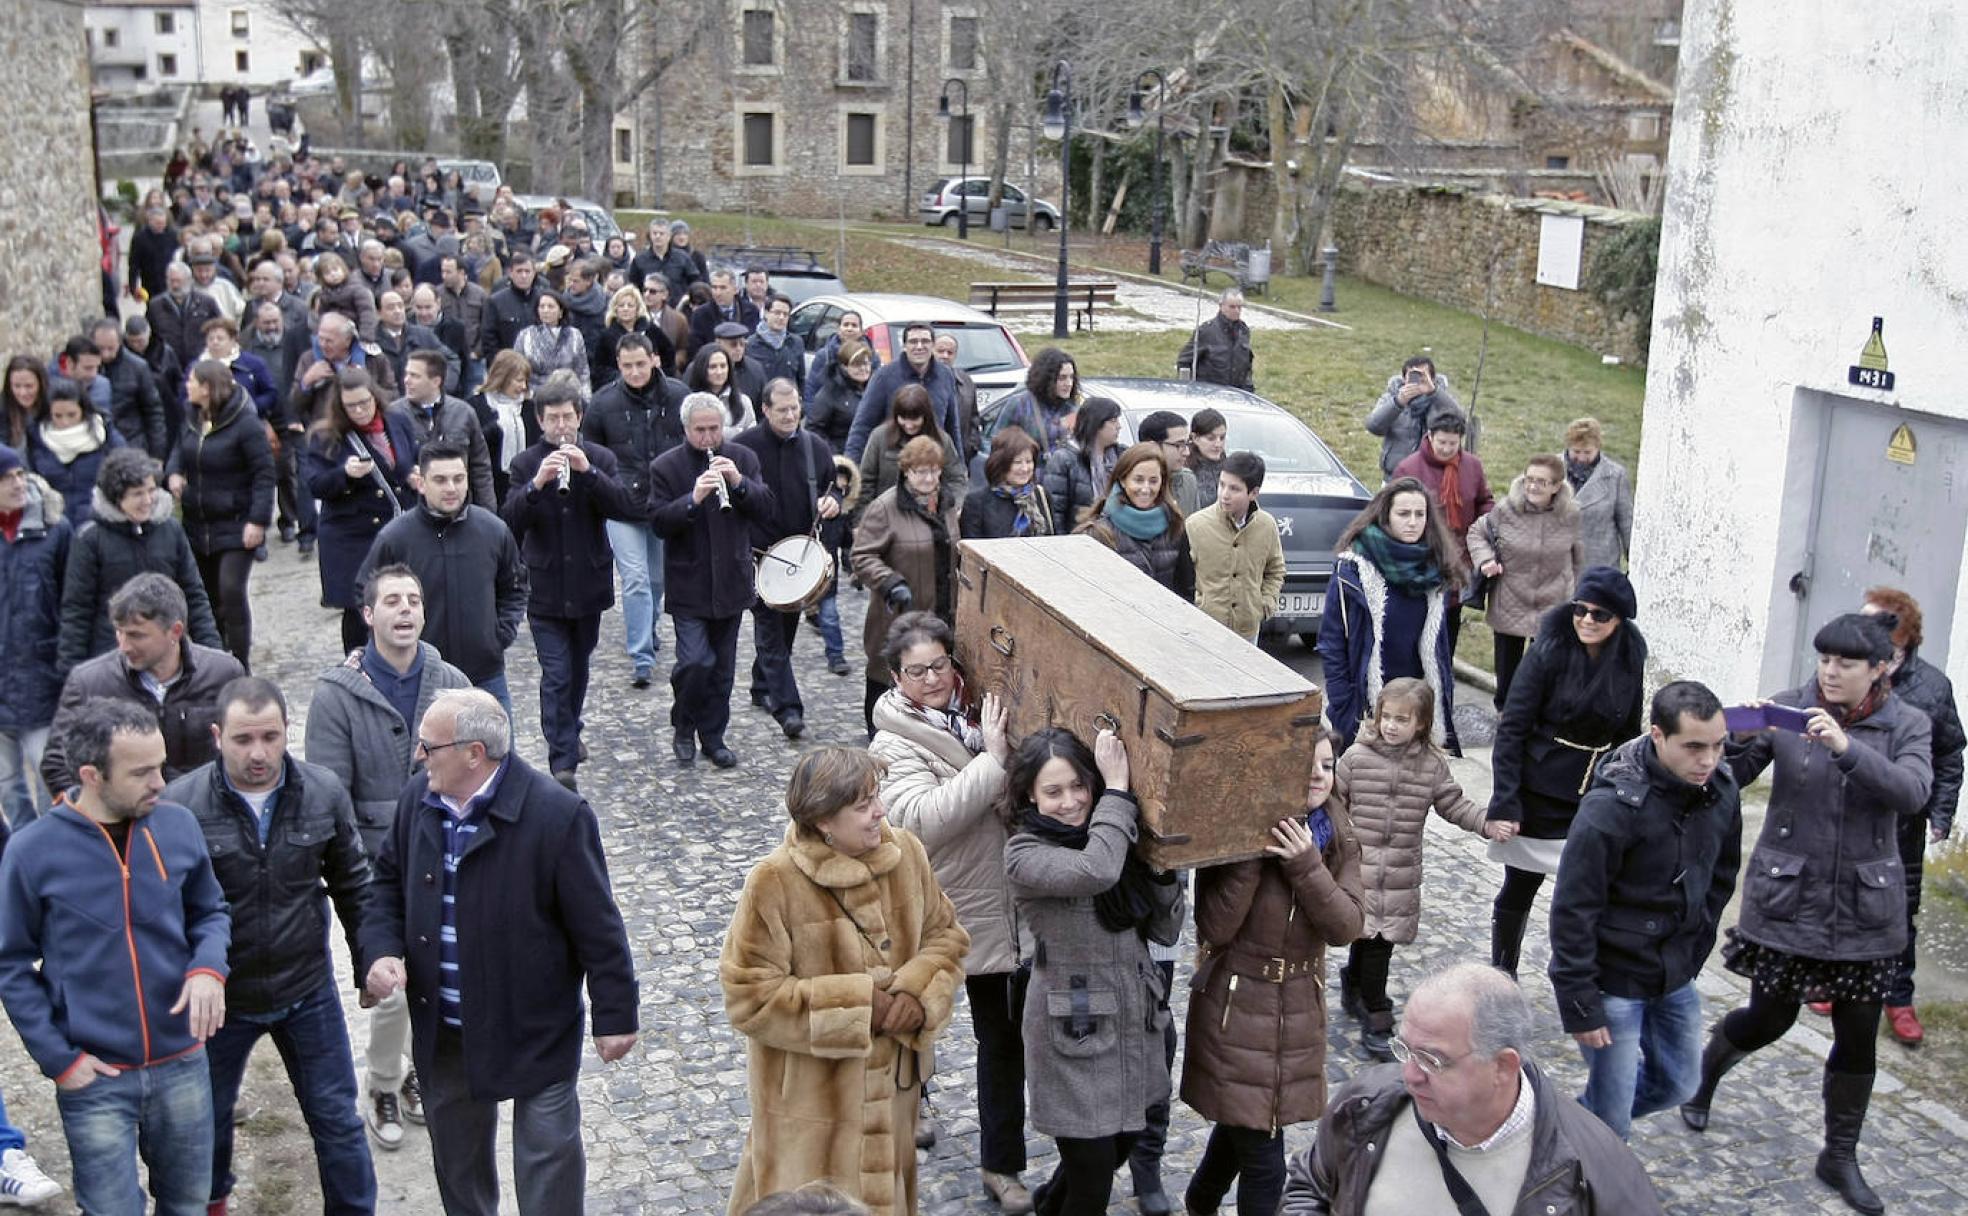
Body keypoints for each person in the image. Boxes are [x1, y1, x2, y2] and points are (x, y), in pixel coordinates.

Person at [1684, 613, 1933, 1216]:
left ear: (1881, 669)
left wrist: (1846, 748)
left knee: (1856, 1037)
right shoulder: (1788, 711)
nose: (1830, 671)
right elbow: (1726, 781)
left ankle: (1839, 1154)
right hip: (1789, 898)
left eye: (1846, 663)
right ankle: (1705, 1077)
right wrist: (1729, 740)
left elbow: (1912, 793)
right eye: (1824, 659)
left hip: (1864, 909)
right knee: (1768, 1019)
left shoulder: (1908, 724)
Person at [360, 690, 638, 1216]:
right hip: (445, 1027)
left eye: (429, 746)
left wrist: (615, 1014)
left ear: (473, 754)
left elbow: (598, 926)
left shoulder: (557, 816)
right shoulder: (419, 798)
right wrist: (379, 951)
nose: (419, 756)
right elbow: (387, 885)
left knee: (548, 1165)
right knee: (459, 1167)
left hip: (533, 1028)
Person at [0, 698, 231, 1216]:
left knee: (190, 1205)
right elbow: (10, 965)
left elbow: (211, 912)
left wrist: (208, 969)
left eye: (161, 765)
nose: (160, 782)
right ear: (91, 775)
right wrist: (60, 1060)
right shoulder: (31, 853)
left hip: (184, 1064)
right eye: (142, 771)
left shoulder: (178, 826)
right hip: (96, 1078)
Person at [721, 747, 969, 1215]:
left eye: (876, 798)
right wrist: (859, 1007)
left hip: (892, 1100)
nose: (880, 812)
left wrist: (917, 994)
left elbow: (947, 936)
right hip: (810, 1113)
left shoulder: (907, 854)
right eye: (863, 805)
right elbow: (748, 996)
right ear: (823, 821)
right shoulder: (773, 882)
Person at [163, 677, 376, 1214]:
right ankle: (211, 1203)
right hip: (218, 1001)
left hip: (306, 989)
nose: (259, 753)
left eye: (270, 737)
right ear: (217, 736)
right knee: (201, 1125)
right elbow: (164, 911)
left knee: (337, 1121)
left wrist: (368, 960)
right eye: (243, 740)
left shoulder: (323, 792)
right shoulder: (180, 807)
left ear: (286, 733)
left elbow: (354, 885)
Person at [303, 564, 471, 1150]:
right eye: (391, 602)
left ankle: (418, 1073)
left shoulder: (449, 679)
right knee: (390, 981)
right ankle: (381, 1083)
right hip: (374, 864)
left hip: (443, 856)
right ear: (368, 615)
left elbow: (479, 769)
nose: (405, 610)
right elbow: (327, 792)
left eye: (414, 600)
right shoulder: (336, 694)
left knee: (431, 977)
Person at [864, 614, 1028, 1209]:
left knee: (1003, 1041)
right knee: (916, 1020)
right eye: (917, 671)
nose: (932, 679)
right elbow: (919, 818)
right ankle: (914, 1101)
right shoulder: (891, 742)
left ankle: (1002, 1166)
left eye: (939, 665)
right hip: (932, 909)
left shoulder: (983, 706)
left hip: (1000, 905)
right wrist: (996, 760)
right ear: (895, 676)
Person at [1279, 963, 1663, 1214]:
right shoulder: (1368, 1104)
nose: (1409, 1075)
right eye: (1405, 1050)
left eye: (1432, 1060)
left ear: (1502, 1065)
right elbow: (1311, 1183)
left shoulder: (1597, 1173)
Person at [1182, 726, 1363, 1216]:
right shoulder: (1235, 826)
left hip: (1300, 1008)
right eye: (1307, 766)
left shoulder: (1337, 831)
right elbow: (1215, 928)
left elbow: (1346, 925)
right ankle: (1201, 1201)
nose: (1319, 776)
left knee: (1250, 1122)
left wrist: (1305, 864)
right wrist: (1255, 854)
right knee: (1266, 1160)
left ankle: (1199, 1200)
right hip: (1237, 1006)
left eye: (1327, 765)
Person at [1547, 680, 1740, 1141]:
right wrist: (1581, 1003)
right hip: (1614, 984)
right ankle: (1589, 1164)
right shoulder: (1609, 810)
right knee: (1613, 1124)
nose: (1709, 760)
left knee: (1680, 1083)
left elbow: (1721, 877)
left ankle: (1569, 1129)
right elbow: (1573, 910)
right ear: (1658, 736)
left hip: (1675, 975)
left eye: (1717, 746)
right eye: (1694, 747)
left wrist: (1694, 949)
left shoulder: (1721, 790)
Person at [1003, 728, 1185, 1216]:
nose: (1069, 802)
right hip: (1074, 1030)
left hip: (1131, 1018)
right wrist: (1119, 791)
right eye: (1053, 791)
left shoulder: (1115, 835)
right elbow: (1094, 871)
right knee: (1091, 1180)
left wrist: (1164, 873)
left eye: (1079, 786)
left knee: (1120, 1146)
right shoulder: (1024, 853)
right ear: (1029, 796)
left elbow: (1164, 929)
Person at [1485, 566, 1644, 978]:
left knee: (1589, 889)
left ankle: (1578, 971)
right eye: (1581, 610)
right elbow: (1513, 730)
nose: (1587, 620)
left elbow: (1629, 731)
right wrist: (1505, 801)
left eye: (1600, 615)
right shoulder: (1549, 649)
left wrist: (1629, 793)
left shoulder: (1629, 655)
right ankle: (1504, 970)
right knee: (1521, 883)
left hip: (1596, 791)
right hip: (1540, 787)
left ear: (1620, 619)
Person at [502, 373, 633, 788]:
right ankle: (561, 758)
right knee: (555, 673)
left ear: (579, 418)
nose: (562, 426)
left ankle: (569, 728)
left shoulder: (598, 456)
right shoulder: (525, 464)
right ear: (540, 420)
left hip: (588, 583)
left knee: (578, 669)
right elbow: (509, 522)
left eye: (568, 418)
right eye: (553, 418)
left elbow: (622, 506)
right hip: (544, 586)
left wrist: (588, 472)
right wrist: (537, 484)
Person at [1860, 587, 1966, 1046]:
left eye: (1874, 622)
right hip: (1849, 813)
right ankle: (1834, 979)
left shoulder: (1932, 686)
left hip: (1902, 822)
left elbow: (1949, 754)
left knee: (1899, 910)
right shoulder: (1848, 672)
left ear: (1901, 633)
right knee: (1845, 899)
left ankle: (1897, 998)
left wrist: (1941, 812)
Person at [355, 442, 526, 711]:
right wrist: (393, 643)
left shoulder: (493, 531)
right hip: (420, 679)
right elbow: (365, 592)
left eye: (458, 479)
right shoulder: (395, 537)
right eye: (440, 480)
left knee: (499, 753)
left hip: (484, 675)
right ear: (421, 483)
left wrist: (499, 635)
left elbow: (514, 587)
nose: (451, 488)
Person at [649, 394, 770, 768]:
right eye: (700, 430)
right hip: (690, 583)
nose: (708, 438)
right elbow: (658, 522)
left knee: (722, 669)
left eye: (714, 429)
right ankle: (684, 724)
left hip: (732, 581)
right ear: (686, 430)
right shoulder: (666, 466)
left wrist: (739, 483)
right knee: (696, 661)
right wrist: (693, 498)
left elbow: (766, 507)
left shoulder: (744, 458)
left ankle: (714, 737)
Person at [42, 573, 244, 796]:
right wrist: (102, 814)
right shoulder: (89, 683)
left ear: (175, 631)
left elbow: (245, 745)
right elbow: (56, 764)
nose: (124, 646)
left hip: (206, 814)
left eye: (136, 635)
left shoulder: (223, 673)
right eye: (119, 633)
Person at [1316, 477, 1464, 754]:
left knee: (1411, 788)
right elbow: (1331, 641)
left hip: (1415, 703)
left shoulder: (1434, 568)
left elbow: (1439, 648)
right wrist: (1343, 701)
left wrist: (1436, 700)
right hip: (1365, 702)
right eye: (1403, 514)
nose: (1413, 522)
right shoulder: (1354, 568)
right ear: (1386, 517)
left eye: (1420, 514)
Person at [733, 379, 844, 740]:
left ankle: (759, 685)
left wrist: (833, 503)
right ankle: (788, 709)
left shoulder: (815, 447)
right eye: (782, 409)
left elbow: (833, 488)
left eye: (795, 407)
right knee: (769, 631)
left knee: (785, 630)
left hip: (798, 556)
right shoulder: (743, 448)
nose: (790, 415)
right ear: (765, 410)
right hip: (757, 555)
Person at [582, 334, 688, 688]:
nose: (635, 371)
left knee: (658, 580)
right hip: (622, 502)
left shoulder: (677, 395)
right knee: (636, 580)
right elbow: (592, 455)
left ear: (654, 360)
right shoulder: (603, 403)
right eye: (627, 365)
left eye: (640, 364)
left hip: (663, 501)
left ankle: (649, 625)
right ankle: (641, 654)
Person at [57, 449, 222, 672]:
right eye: (137, 494)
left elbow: (194, 594)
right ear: (117, 498)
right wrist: (72, 671)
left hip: (168, 653)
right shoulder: (90, 539)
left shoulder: (170, 530)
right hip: (115, 657)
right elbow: (77, 610)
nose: (147, 500)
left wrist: (212, 651)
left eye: (151, 491)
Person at [166, 359, 273, 669]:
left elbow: (264, 473)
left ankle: (240, 663)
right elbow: (178, 450)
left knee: (231, 590)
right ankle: (212, 660)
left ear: (207, 387)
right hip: (198, 523)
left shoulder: (245, 424)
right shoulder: (190, 418)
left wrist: (258, 520)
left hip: (237, 523)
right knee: (206, 596)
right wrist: (173, 473)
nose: (187, 386)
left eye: (192, 382)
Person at [304, 368, 420, 651]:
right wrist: (345, 474)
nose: (359, 411)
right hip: (351, 536)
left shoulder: (396, 420)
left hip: (397, 530)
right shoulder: (327, 436)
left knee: (404, 602)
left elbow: (408, 459)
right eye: (351, 406)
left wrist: (414, 474)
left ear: (375, 397)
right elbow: (315, 484)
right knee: (360, 612)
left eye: (364, 403)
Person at [853, 436, 960, 736]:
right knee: (886, 678)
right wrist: (890, 582)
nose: (928, 478)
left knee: (933, 678)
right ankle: (878, 736)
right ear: (906, 473)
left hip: (941, 612)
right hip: (898, 612)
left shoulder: (947, 504)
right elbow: (862, 555)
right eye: (919, 472)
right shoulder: (885, 507)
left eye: (933, 471)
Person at [1465, 454, 1582, 709]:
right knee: (1507, 677)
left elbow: (1579, 559)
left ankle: (1537, 722)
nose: (1532, 486)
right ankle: (1505, 719)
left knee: (1545, 673)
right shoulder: (1506, 510)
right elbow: (1476, 533)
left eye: (1541, 482)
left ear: (1556, 486)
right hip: (1510, 601)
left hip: (1553, 603)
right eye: (1529, 479)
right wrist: (1485, 560)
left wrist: (1577, 597)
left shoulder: (1571, 516)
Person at [0, 447, 71, 831]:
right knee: (8, 785)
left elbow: (72, 604)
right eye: (6, 478)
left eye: (19, 474)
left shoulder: (55, 531)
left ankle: (57, 846)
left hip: (42, 678)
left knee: (51, 775)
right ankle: (23, 854)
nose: (17, 483)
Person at [1077, 443, 1196, 602]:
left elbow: (1186, 590)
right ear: (1123, 480)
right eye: (1138, 480)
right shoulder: (1099, 533)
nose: (1146, 489)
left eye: (1153, 481)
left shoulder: (1174, 526)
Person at [1186, 451, 1284, 641]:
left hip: (1247, 630)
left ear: (1253, 493)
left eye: (1234, 489)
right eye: (1222, 485)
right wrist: (1198, 606)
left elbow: (1275, 569)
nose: (1225, 494)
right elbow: (1183, 578)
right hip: (1206, 629)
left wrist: (1265, 603)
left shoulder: (1266, 525)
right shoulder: (1195, 525)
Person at [395, 348, 496, 511]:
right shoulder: (394, 415)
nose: (406, 380)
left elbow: (480, 467)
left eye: (415, 376)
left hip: (458, 509)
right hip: (413, 511)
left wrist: (488, 512)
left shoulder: (463, 412)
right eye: (407, 374)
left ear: (436, 381)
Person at [845, 323, 962, 461]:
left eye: (925, 341)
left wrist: (960, 463)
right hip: (894, 463)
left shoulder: (945, 375)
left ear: (932, 345)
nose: (919, 346)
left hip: (934, 465)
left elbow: (952, 425)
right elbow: (862, 426)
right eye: (913, 342)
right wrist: (850, 468)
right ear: (904, 346)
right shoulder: (884, 376)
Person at [25, 377, 123, 529]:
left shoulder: (104, 433)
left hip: (99, 523)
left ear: (83, 411)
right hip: (53, 524)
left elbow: (124, 469)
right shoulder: (36, 437)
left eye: (72, 415)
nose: (65, 422)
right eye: (58, 416)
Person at [855, 383, 965, 511]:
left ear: (926, 416)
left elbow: (956, 479)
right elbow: (866, 482)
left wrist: (955, 507)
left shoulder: (941, 440)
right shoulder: (879, 437)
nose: (909, 425)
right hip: (887, 515)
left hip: (930, 515)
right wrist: (860, 520)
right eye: (903, 418)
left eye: (914, 419)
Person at [1363, 356, 1465, 481]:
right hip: (1396, 475)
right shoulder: (1392, 397)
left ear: (1432, 378)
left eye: (1422, 377)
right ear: (1404, 379)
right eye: (1413, 377)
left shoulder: (1441, 398)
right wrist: (1398, 403)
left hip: (1434, 477)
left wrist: (1434, 393)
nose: (1417, 382)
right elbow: (1373, 426)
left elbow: (1461, 422)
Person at [1041, 396, 1122, 535]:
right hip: (1079, 539)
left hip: (1116, 538)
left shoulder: (1121, 455)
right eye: (1113, 421)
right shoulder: (1065, 459)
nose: (1119, 426)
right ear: (1096, 423)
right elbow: (1055, 512)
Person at [91, 317, 169, 459]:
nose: (105, 354)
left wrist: (157, 455)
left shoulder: (138, 367)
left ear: (120, 343)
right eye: (100, 348)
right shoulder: (86, 367)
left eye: (110, 348)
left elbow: (153, 412)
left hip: (132, 442)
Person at [466, 349, 536, 504]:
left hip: (522, 485)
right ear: (503, 378)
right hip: (487, 485)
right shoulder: (476, 405)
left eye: (525, 381)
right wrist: (496, 428)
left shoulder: (529, 408)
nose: (523, 386)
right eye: (518, 380)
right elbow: (473, 445)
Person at [1563, 417, 1633, 571]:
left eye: (1587, 452)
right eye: (1576, 451)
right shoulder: (1550, 469)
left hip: (1599, 569)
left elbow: (1626, 524)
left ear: (1598, 448)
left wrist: (1634, 563)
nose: (1581, 458)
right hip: (1557, 569)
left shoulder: (1616, 476)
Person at [961, 428, 1052, 541]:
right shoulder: (976, 502)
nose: (1025, 469)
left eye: (1029, 461)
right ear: (1001, 464)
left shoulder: (1041, 495)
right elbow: (971, 551)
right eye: (1017, 462)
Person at [147, 262, 224, 372]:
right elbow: (151, 337)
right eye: (171, 281)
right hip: (167, 367)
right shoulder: (155, 306)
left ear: (189, 280)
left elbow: (220, 328)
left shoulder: (207, 303)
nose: (175, 286)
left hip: (200, 363)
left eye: (178, 281)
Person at [593, 283, 673, 389]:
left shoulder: (651, 330)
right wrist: (621, 376)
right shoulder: (606, 336)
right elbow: (599, 368)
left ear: (637, 308)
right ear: (615, 309)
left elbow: (669, 354)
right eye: (621, 305)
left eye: (630, 305)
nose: (625, 309)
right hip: (618, 388)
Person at [513, 289, 590, 396]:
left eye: (550, 307)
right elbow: (516, 368)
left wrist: (585, 397)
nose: (545, 310)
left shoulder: (574, 335)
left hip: (567, 394)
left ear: (561, 311)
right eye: (542, 307)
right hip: (535, 394)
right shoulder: (526, 335)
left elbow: (582, 372)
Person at [806, 338, 874, 458]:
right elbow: (814, 429)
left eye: (866, 363)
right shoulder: (829, 392)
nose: (863, 369)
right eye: (857, 364)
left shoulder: (874, 388)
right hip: (842, 456)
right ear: (844, 366)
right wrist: (834, 455)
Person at [1176, 288, 1254, 390]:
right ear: (1221, 306)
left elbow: (1247, 365)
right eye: (1232, 307)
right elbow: (1184, 361)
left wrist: (1248, 388)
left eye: (1239, 307)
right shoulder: (1206, 331)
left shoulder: (1243, 331)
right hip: (1209, 393)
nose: (1236, 311)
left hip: (1237, 393)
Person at [802, 311, 882, 404]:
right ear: (838, 330)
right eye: (846, 325)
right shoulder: (825, 355)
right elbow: (812, 390)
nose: (849, 329)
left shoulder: (872, 356)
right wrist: (813, 416)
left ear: (861, 331)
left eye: (854, 325)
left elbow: (878, 389)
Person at [479, 250, 543, 357]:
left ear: (534, 273)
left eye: (527, 271)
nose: (523, 276)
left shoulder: (544, 300)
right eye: (519, 271)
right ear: (511, 273)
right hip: (508, 366)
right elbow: (489, 339)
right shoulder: (495, 302)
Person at [1135, 410, 1198, 515]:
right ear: (1152, 446)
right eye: (1178, 445)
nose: (1186, 452)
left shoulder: (1187, 481)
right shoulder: (1131, 485)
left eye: (1187, 444)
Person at [933, 332, 982, 464]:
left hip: (960, 458)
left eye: (950, 352)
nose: (945, 356)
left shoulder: (965, 381)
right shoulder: (922, 382)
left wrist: (972, 445)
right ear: (932, 351)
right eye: (940, 351)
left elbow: (974, 418)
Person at [687, 342, 758, 432]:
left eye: (723, 366)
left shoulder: (743, 402)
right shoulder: (690, 403)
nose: (719, 372)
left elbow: (751, 436)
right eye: (713, 367)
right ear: (702, 369)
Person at [688, 269, 761, 355]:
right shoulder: (700, 314)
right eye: (714, 287)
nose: (718, 293)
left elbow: (753, 344)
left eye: (723, 288)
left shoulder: (751, 311)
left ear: (735, 289)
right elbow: (696, 348)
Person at [745, 295, 805, 396]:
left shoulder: (796, 342)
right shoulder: (751, 345)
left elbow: (801, 380)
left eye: (785, 314)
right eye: (777, 313)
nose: (781, 317)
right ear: (766, 313)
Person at [1187, 407, 1227, 510]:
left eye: (1222, 438)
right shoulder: (1185, 469)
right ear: (1195, 438)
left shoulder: (1230, 467)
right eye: (1211, 438)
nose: (1218, 444)